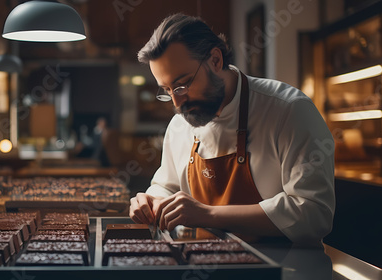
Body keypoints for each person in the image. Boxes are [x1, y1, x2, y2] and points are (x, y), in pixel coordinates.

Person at [129, 14, 335, 245]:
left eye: (183, 84)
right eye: (168, 90)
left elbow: (315, 214)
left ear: (215, 60)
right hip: (203, 263)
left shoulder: (289, 111)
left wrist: (208, 215)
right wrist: (152, 201)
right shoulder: (179, 125)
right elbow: (166, 186)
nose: (178, 103)